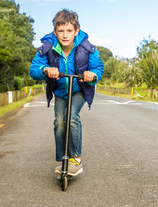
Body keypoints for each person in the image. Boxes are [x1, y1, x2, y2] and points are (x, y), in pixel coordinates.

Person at [30, 9, 104, 177]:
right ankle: (64, 158)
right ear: (55, 32)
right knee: (59, 122)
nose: (65, 35)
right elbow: (34, 69)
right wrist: (45, 69)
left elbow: (98, 68)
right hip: (61, 91)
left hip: (79, 89)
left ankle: (75, 159)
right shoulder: (48, 47)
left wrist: (93, 75)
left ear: (76, 31)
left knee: (71, 118)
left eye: (69, 31)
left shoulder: (86, 47)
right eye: (61, 31)